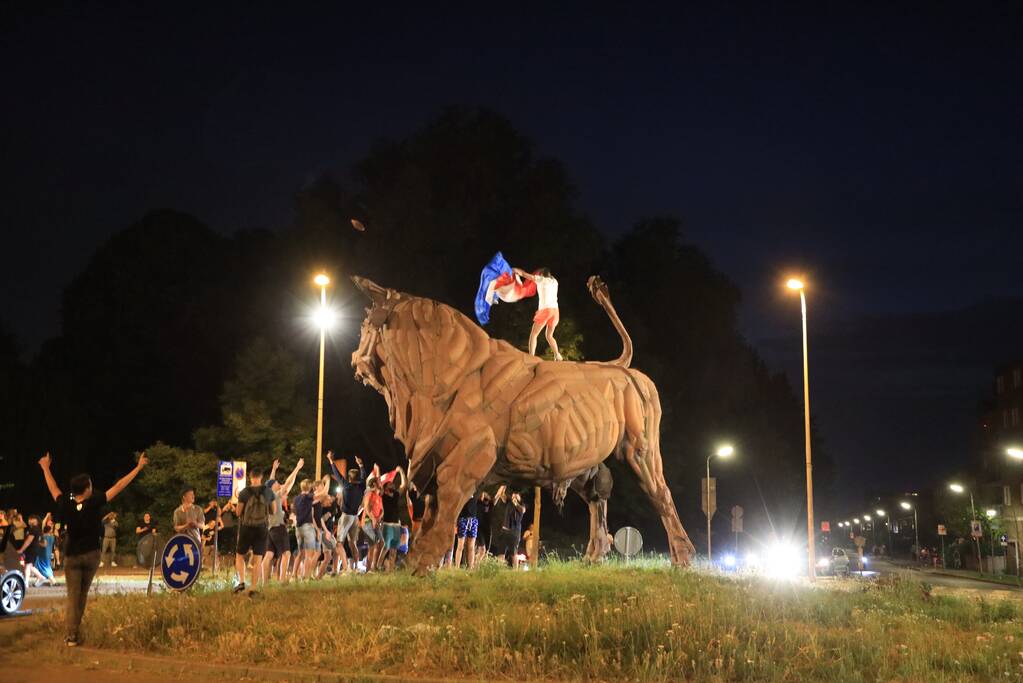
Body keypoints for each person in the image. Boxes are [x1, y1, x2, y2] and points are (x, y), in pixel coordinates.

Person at [39, 450, 148, 646]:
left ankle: (72, 635)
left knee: (74, 596)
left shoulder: (66, 503)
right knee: (82, 595)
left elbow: (53, 487)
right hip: (91, 555)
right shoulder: (95, 501)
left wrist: (45, 467)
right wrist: (138, 468)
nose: (92, 486)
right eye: (90, 484)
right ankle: (74, 632)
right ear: (86, 489)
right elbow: (119, 486)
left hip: (72, 556)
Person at [234, 468, 276, 595]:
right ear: (261, 477)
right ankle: (253, 588)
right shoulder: (269, 492)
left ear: (250, 478)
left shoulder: (244, 492)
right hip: (262, 528)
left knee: (240, 555)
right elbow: (273, 511)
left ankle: (241, 582)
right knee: (258, 558)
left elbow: (238, 513)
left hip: (247, 527)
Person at [262, 457, 303, 584]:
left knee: (268, 555)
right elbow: (288, 482)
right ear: (272, 487)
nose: (277, 483)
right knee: (286, 554)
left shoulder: (267, 496)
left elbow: (270, 482)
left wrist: (274, 469)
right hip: (279, 528)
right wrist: (297, 468)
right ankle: (283, 580)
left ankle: (264, 583)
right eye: (275, 483)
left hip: (270, 529)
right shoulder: (275, 495)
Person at [327, 452, 367, 572]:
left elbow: (337, 474)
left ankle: (345, 568)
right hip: (355, 518)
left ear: (349, 478)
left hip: (346, 517)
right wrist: (361, 465)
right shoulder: (361, 487)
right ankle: (354, 567)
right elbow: (364, 477)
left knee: (339, 543)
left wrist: (330, 460)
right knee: (352, 543)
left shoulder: (347, 486)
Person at [514, 267, 562, 360]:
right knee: (549, 336)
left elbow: (524, 274)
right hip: (555, 311)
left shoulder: (541, 280)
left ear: (542, 275)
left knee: (534, 334)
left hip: (546, 310)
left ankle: (531, 356)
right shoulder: (555, 282)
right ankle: (557, 354)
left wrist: (515, 271)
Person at [378, 467, 408, 572]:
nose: (392, 484)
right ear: (385, 487)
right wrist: (378, 471)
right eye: (390, 483)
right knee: (386, 547)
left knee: (394, 548)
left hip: (396, 525)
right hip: (387, 525)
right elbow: (379, 485)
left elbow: (404, 486)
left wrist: (401, 472)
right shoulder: (383, 495)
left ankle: (390, 569)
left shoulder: (395, 495)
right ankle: (378, 566)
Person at [495, 485, 526, 568]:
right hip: (504, 531)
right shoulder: (509, 502)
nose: (514, 495)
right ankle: (499, 570)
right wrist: (503, 487)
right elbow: (502, 496)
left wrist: (516, 503)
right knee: (501, 552)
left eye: (516, 495)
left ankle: (515, 571)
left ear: (520, 497)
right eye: (513, 494)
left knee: (514, 553)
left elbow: (522, 510)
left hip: (514, 532)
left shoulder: (521, 505)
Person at [361, 472, 384, 571]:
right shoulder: (369, 493)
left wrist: (379, 518)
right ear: (374, 484)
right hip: (367, 522)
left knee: (381, 542)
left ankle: (374, 566)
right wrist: (373, 519)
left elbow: (382, 510)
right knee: (372, 544)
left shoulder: (379, 497)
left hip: (376, 522)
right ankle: (368, 569)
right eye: (379, 481)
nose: (381, 483)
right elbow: (366, 508)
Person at [454, 492, 479, 570]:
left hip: (473, 519)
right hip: (463, 519)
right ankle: (457, 567)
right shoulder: (461, 493)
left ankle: (470, 568)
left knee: (471, 546)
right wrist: (455, 523)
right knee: (460, 545)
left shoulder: (476, 492)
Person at [33, 513, 57, 586]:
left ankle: (53, 581)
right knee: (47, 567)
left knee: (42, 568)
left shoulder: (44, 536)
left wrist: (37, 543)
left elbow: (45, 545)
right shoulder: (52, 537)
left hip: (42, 554)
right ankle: (37, 583)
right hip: (48, 554)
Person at [475, 491, 493, 566]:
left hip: (488, 529)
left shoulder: (490, 504)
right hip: (479, 528)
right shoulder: (478, 503)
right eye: (483, 494)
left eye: (486, 494)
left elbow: (496, 498)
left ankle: (478, 566)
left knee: (485, 551)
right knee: (482, 549)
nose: (485, 495)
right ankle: (475, 565)